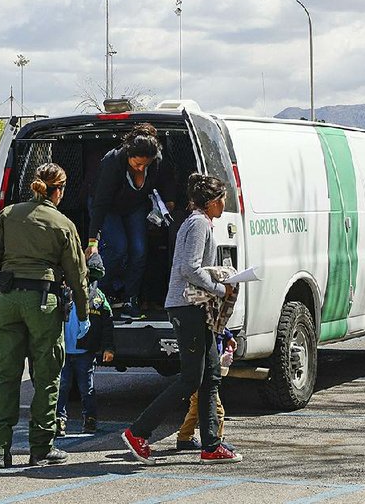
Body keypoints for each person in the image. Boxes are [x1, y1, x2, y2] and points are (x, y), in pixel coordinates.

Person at [121, 173, 241, 465]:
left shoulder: (200, 222)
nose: (225, 203)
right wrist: (220, 288)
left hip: (196, 308)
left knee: (211, 374)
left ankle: (211, 446)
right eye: (223, 198)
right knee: (190, 378)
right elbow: (190, 268)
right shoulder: (199, 223)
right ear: (212, 202)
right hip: (188, 307)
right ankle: (138, 432)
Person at [0, 163, 89, 469]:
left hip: (8, 300)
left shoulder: (8, 215)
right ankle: (41, 447)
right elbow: (77, 274)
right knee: (46, 378)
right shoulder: (62, 223)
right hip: (44, 303)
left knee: (6, 377)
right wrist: (82, 312)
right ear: (59, 191)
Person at [86, 123, 175, 320]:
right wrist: (93, 241)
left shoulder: (156, 159)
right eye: (137, 164)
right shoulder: (112, 162)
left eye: (146, 164)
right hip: (107, 206)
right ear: (128, 155)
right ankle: (101, 291)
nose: (141, 168)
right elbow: (100, 203)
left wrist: (169, 201)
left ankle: (130, 297)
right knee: (118, 247)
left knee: (139, 250)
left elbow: (166, 178)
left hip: (134, 206)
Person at [55, 253, 115, 437]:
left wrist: (108, 347)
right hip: (64, 351)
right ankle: (59, 420)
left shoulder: (97, 298)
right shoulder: (62, 293)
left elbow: (107, 325)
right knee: (62, 386)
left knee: (86, 388)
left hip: (85, 353)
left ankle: (90, 419)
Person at [176, 328, 236, 451]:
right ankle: (216, 440)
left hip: (200, 371)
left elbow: (219, 324)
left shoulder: (210, 324)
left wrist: (228, 336)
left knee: (195, 407)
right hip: (204, 373)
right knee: (217, 410)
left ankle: (184, 437)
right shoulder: (206, 329)